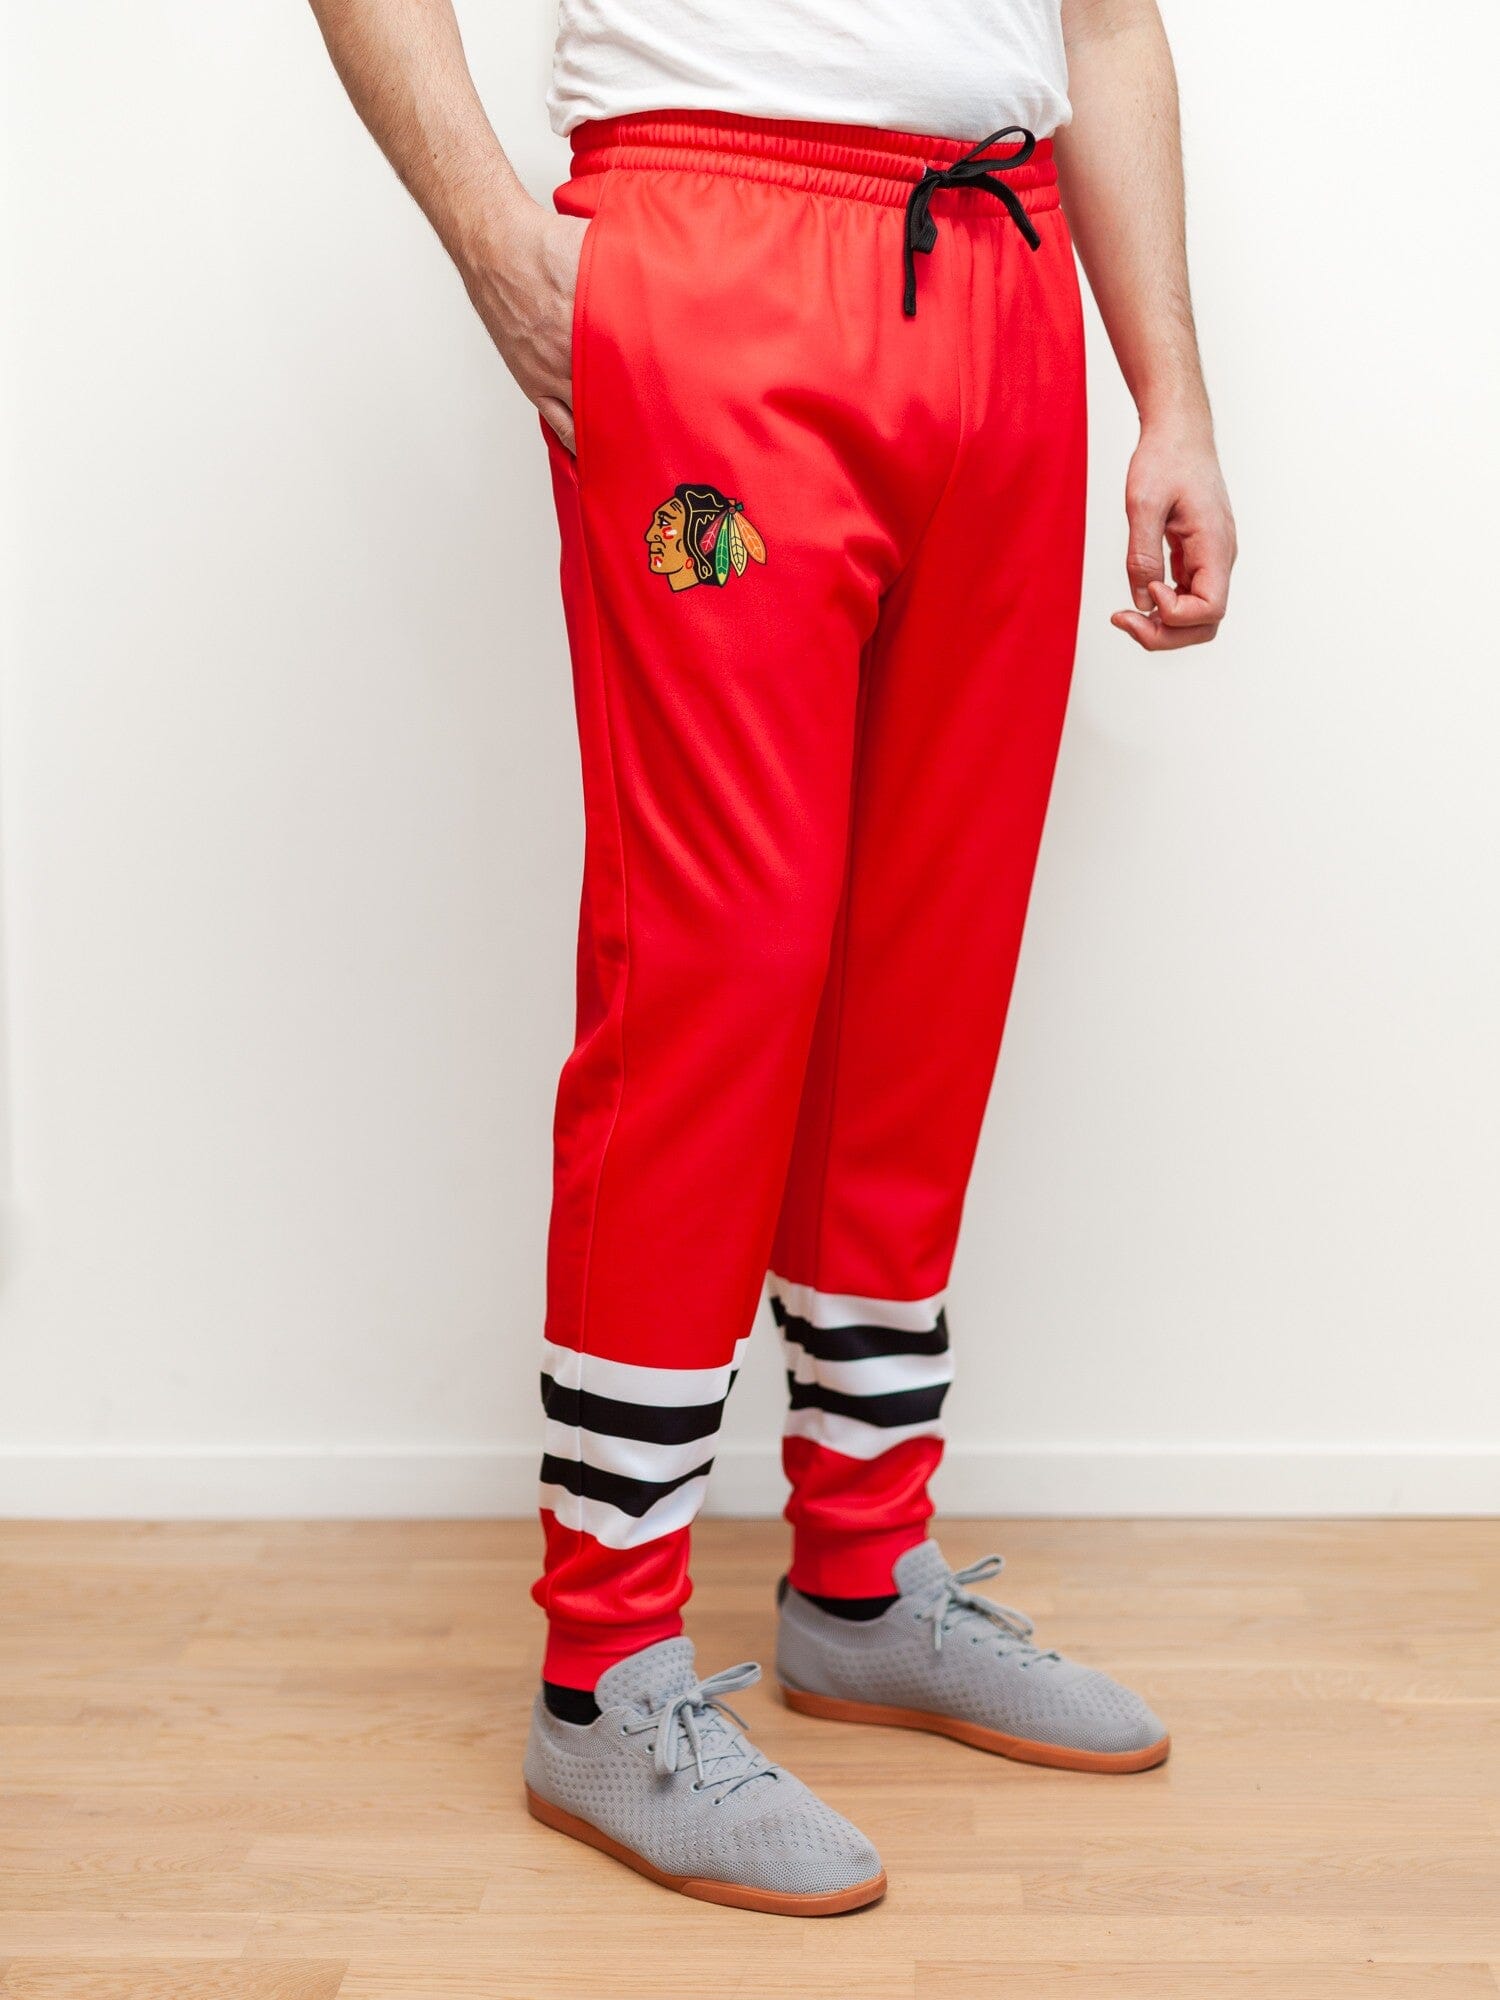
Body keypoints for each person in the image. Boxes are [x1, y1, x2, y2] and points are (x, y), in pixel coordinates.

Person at [308, 0, 1236, 1916]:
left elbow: (1108, 23)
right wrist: (495, 242)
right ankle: (604, 1672)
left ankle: (865, 1581)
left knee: (926, 967)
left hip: (1002, 273)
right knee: (714, 961)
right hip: (713, 253)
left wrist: (1173, 396)